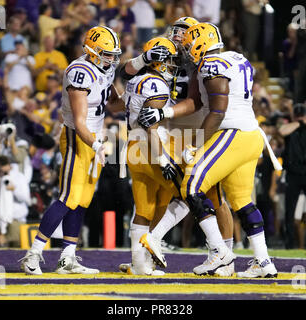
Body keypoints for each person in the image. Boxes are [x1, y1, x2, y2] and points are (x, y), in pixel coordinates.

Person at [138, 22, 280, 278]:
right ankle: (263, 261)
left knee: (190, 186)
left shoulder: (211, 64)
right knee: (243, 202)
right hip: (251, 136)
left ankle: (219, 252)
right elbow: (197, 101)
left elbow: (217, 110)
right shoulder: (235, 57)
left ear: (202, 43)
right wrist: (165, 111)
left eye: (192, 44)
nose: (189, 49)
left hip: (232, 134)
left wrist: (196, 144)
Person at [122, 17, 236, 276]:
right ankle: (146, 254)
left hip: (192, 130)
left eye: (185, 33)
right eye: (176, 31)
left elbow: (195, 102)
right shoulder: (162, 51)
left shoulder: (199, 61)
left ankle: (222, 255)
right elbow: (124, 74)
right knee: (164, 196)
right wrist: (143, 58)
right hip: (162, 132)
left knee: (210, 194)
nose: (178, 36)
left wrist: (165, 113)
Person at [19, 25, 123, 275]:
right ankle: (33, 255)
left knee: (83, 200)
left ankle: (67, 258)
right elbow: (79, 123)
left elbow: (116, 105)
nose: (111, 58)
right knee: (68, 197)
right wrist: (97, 144)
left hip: (96, 137)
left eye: (113, 54)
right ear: (91, 50)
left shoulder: (105, 69)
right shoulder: (80, 72)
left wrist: (135, 96)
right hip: (78, 137)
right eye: (106, 53)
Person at [119, 36, 182, 275]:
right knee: (188, 194)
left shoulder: (136, 80)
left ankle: (139, 264)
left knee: (145, 209)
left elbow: (119, 105)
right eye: (170, 60)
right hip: (151, 149)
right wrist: (163, 159)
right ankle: (154, 240)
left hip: (134, 149)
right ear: (158, 61)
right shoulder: (157, 85)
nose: (173, 65)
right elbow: (151, 126)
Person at [278, 103, 306, 249]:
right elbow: (282, 132)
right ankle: (289, 244)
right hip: (293, 174)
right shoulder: (292, 126)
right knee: (290, 211)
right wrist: (299, 122)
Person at [0, 155, 31, 247]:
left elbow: (25, 198)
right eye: (0, 170)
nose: (2, 171)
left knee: (16, 253)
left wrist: (14, 189)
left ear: (9, 165)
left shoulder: (19, 177)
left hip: (16, 221)